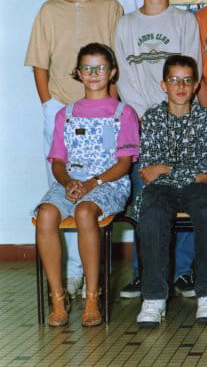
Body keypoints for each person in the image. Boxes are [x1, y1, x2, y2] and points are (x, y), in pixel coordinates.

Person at [25, 0, 123, 299]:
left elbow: (118, 63)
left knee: (96, 191)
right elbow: (39, 63)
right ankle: (69, 275)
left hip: (103, 113)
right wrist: (49, 105)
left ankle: (89, 273)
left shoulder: (111, 8)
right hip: (62, 110)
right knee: (62, 189)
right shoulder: (49, 9)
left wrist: (114, 106)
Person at [114, 0, 201, 299]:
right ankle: (144, 272)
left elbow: (192, 70)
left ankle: (183, 271)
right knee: (145, 196)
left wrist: (173, 110)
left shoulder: (185, 21)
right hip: (140, 120)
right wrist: (146, 115)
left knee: (185, 188)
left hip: (179, 115)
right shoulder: (126, 24)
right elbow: (122, 74)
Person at [34, 43, 138, 327]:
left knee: (84, 212)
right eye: (87, 68)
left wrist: (93, 182)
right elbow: (58, 161)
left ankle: (92, 296)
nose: (94, 74)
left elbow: (124, 164)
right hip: (72, 182)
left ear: (112, 72)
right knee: (46, 213)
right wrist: (68, 182)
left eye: (100, 68)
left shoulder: (123, 113)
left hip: (108, 182)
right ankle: (58, 297)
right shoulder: (65, 114)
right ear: (78, 73)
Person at [135, 55, 207, 326]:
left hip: (198, 189)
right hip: (161, 189)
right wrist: (185, 172)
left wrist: (166, 169)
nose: (181, 86)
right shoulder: (152, 118)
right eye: (174, 80)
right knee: (152, 213)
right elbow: (148, 170)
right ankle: (154, 298)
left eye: (187, 80)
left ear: (196, 86)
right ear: (164, 85)